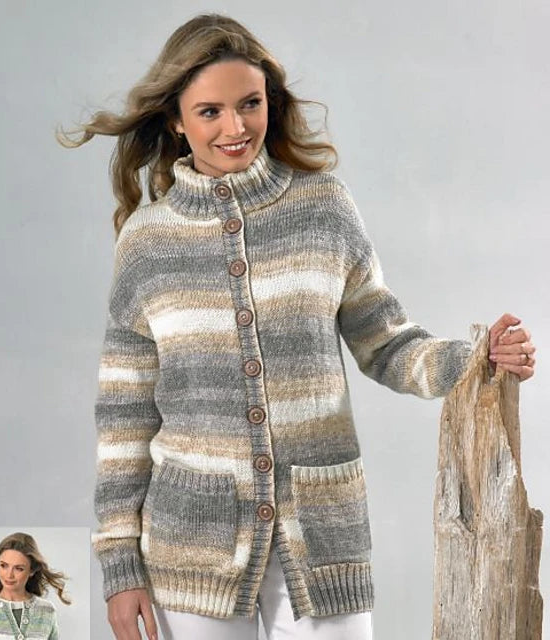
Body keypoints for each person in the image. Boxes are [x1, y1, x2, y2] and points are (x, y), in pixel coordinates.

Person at [57, 13, 536, 640]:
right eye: (210, 112)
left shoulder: (324, 207)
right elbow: (125, 414)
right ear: (175, 119)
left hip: (321, 531)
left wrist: (474, 360)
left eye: (249, 104)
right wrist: (120, 565)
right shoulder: (148, 241)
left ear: (270, 102)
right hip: (190, 544)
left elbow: (386, 341)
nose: (235, 128)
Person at [0, 532, 70, 640]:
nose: (9, 575)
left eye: (19, 568)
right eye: (4, 566)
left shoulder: (46, 610)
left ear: (32, 570)